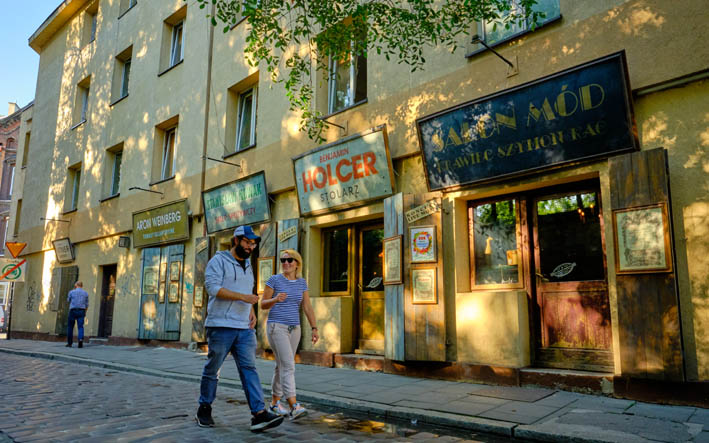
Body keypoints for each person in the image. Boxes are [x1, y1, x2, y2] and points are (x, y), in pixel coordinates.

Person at [195, 225, 284, 432]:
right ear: (236, 241)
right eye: (247, 242)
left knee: (249, 369)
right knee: (213, 369)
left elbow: (247, 291)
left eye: (253, 244)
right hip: (221, 326)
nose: (251, 247)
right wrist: (244, 298)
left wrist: (250, 309)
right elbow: (213, 288)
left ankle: (259, 414)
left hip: (244, 327)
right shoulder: (218, 261)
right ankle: (204, 408)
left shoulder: (248, 264)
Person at [260, 249, 318, 421]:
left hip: (295, 329)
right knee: (288, 365)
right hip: (277, 327)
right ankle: (294, 405)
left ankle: (275, 404)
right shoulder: (274, 280)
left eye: (289, 260)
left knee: (281, 366)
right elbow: (263, 304)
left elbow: (307, 306)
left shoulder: (301, 283)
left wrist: (314, 327)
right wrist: (275, 299)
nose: (286, 263)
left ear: (297, 263)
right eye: (283, 260)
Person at [66, 281, 89, 348]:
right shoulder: (85, 293)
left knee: (70, 327)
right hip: (81, 311)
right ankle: (80, 340)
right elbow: (87, 304)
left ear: (76, 285)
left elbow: (68, 300)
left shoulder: (71, 292)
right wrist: (85, 311)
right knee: (80, 326)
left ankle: (69, 343)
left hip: (73, 310)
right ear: (82, 286)